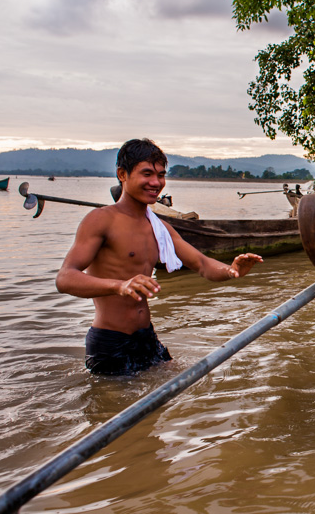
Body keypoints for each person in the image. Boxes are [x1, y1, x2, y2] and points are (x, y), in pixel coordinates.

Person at [56, 138, 263, 376]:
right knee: (111, 409)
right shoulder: (101, 220)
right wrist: (119, 285)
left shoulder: (159, 227)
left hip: (146, 337)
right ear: (122, 174)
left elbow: (202, 264)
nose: (156, 183)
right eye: (147, 174)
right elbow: (65, 278)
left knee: (178, 394)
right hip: (111, 341)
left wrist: (231, 270)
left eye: (161, 175)